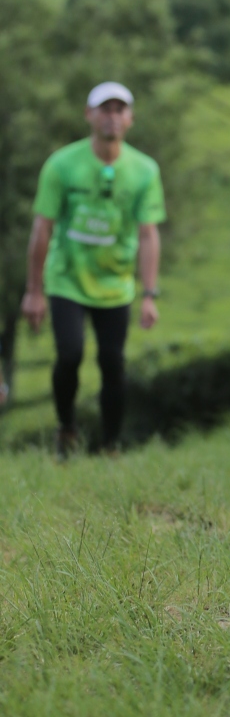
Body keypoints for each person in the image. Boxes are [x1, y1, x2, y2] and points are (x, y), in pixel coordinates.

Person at [21, 82, 166, 459]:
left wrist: (149, 294)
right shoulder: (61, 165)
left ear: (130, 119)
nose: (112, 117)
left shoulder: (144, 170)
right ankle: (66, 427)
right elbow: (42, 228)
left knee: (112, 363)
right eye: (105, 109)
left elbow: (148, 235)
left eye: (120, 110)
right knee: (70, 355)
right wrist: (34, 291)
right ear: (89, 115)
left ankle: (110, 445)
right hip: (67, 278)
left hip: (115, 283)